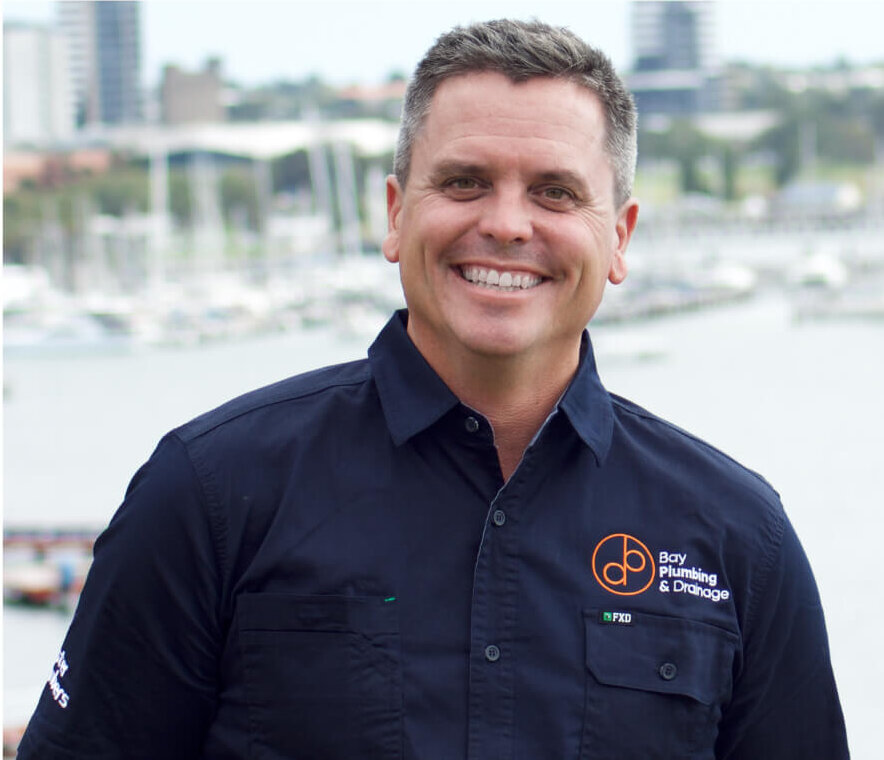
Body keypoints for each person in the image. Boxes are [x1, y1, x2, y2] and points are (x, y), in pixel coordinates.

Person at [19, 19, 848, 759]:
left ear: (620, 237)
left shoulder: (740, 538)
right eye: (464, 182)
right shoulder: (209, 493)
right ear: (393, 214)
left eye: (556, 192)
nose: (508, 224)